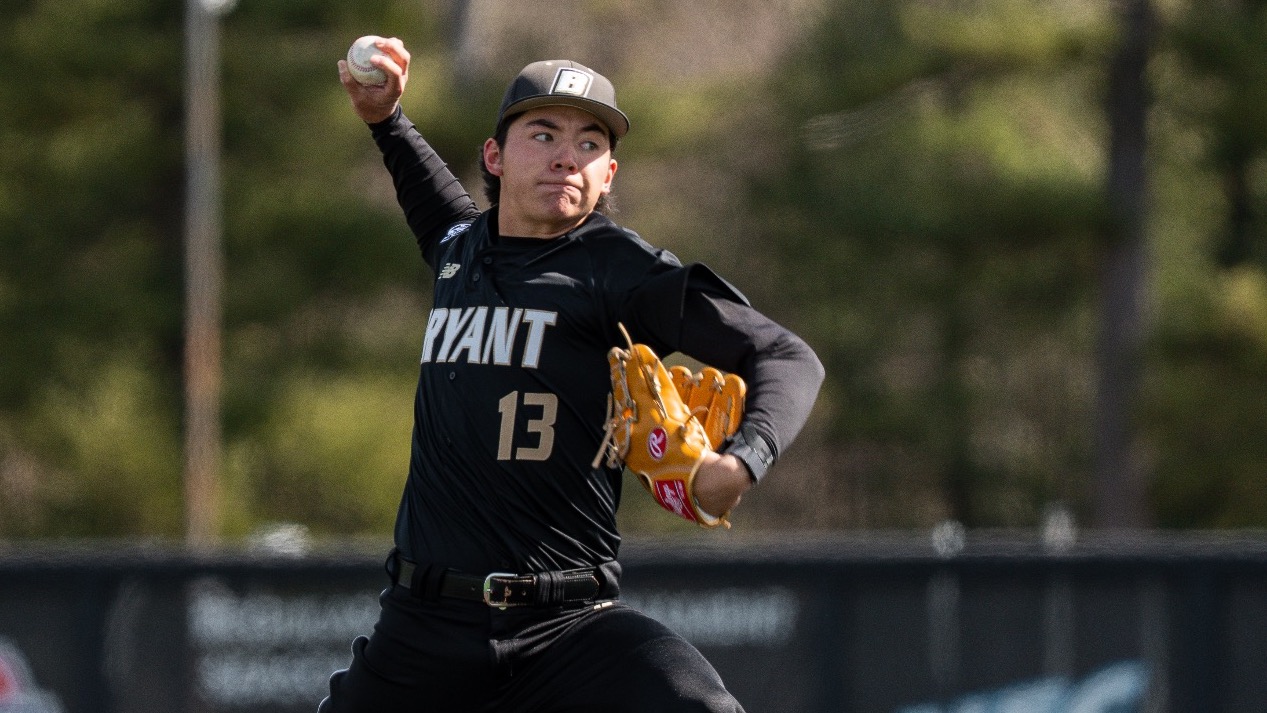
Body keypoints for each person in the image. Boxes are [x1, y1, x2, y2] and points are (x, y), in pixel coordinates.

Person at [322, 36, 824, 712]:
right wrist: (386, 118)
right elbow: (431, 196)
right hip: (423, 630)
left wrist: (742, 459)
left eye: (591, 142)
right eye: (544, 132)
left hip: (567, 628)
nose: (567, 154)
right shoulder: (459, 251)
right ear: (495, 157)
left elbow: (787, 356)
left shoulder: (620, 272)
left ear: (609, 174)